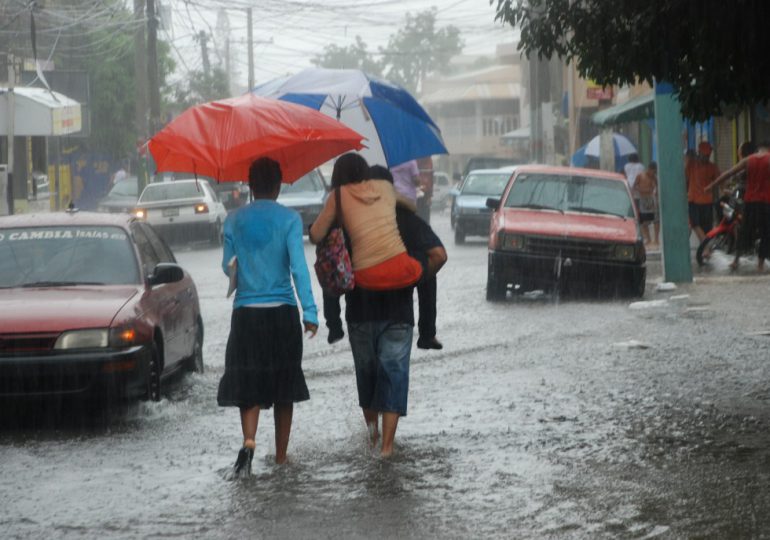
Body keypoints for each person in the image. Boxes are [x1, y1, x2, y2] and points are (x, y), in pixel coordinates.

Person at [217, 157, 318, 478]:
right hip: (282, 314)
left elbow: (226, 266)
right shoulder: (289, 219)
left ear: (250, 185)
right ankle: (281, 457)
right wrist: (311, 312)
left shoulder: (233, 220)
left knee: (248, 381)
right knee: (283, 384)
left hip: (246, 314)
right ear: (278, 185)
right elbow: (299, 268)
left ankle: (249, 441)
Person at [344, 185, 447, 457]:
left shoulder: (353, 218)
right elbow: (439, 255)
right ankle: (386, 448)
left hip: (359, 312)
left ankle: (372, 436)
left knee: (367, 377)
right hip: (398, 314)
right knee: (393, 376)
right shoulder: (408, 220)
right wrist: (416, 277)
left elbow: (335, 263)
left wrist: (331, 319)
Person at [310, 153, 423, 292]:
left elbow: (315, 236)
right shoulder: (384, 186)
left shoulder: (338, 194)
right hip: (401, 268)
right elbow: (412, 206)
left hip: (365, 275)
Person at [705, 141, 770, 272]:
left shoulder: (748, 160)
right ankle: (760, 265)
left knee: (745, 231)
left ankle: (736, 261)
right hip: (765, 202)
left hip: (750, 201)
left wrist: (711, 186)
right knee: (766, 233)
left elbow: (729, 173)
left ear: (758, 149)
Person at [686, 141, 720, 243]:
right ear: (699, 153)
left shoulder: (712, 167)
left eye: (708, 155)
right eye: (704, 155)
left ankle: (705, 247)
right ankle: (705, 246)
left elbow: (719, 181)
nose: (706, 157)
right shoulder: (691, 164)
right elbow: (685, 178)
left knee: (707, 227)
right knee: (695, 224)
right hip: (693, 200)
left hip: (707, 201)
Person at [634, 161, 659, 246]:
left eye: (655, 172)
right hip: (643, 200)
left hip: (651, 200)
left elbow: (657, 187)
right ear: (649, 169)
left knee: (656, 220)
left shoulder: (654, 178)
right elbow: (635, 186)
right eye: (653, 171)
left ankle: (656, 239)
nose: (653, 173)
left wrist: (655, 192)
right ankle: (648, 238)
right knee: (644, 221)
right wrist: (640, 190)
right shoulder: (640, 176)